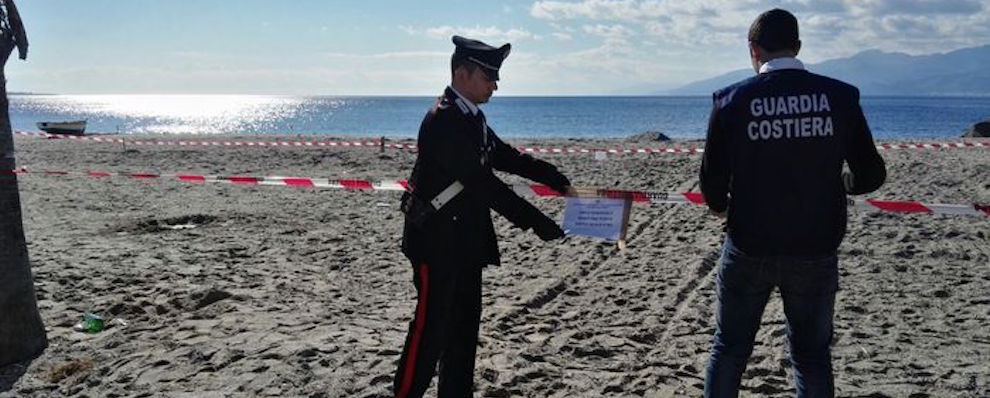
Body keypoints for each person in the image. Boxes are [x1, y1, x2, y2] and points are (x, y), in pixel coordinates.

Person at [699, 9, 886, 397]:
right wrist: (841, 183)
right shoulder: (840, 97)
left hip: (750, 242)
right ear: (798, 47)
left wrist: (719, 204)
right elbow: (871, 174)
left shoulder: (732, 101)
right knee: (811, 355)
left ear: (753, 50)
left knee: (730, 348)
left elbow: (711, 179)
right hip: (815, 244)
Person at [393, 35, 571, 398]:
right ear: (462, 74)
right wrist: (536, 221)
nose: (495, 84)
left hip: (465, 242)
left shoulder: (471, 116)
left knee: (462, 333)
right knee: (429, 332)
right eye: (488, 76)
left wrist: (549, 174)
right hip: (436, 242)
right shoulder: (442, 120)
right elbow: (484, 184)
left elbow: (502, 155)